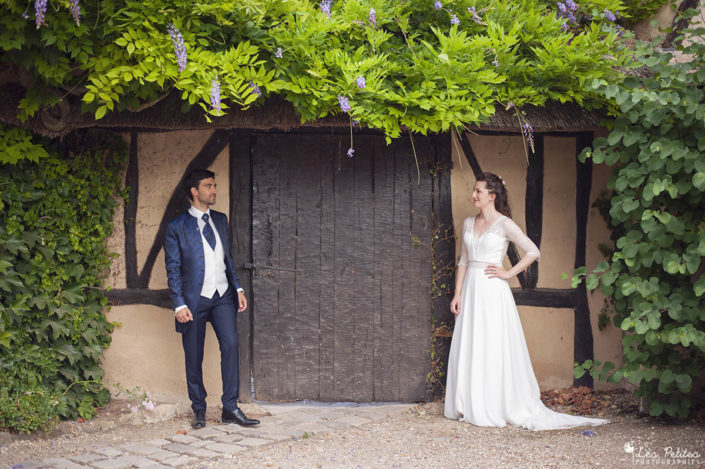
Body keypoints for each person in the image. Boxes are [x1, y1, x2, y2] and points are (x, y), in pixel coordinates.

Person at [444, 172, 607, 430]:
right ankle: (468, 402)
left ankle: (493, 404)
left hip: (492, 291)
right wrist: (457, 293)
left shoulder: (504, 224)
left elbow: (533, 251)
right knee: (471, 341)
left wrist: (508, 272)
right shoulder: (467, 223)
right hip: (471, 290)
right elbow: (463, 261)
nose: (473, 195)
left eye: (479, 191)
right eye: (474, 191)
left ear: (492, 196)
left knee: (492, 343)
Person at [163, 169, 259, 429]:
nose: (214, 190)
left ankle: (230, 407)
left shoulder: (220, 219)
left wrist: (237, 288)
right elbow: (172, 268)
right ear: (195, 191)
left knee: (230, 346)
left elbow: (226, 259)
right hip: (194, 302)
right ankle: (199, 409)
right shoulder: (176, 227)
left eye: (214, 185)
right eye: (208, 186)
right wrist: (179, 304)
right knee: (193, 356)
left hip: (222, 297)